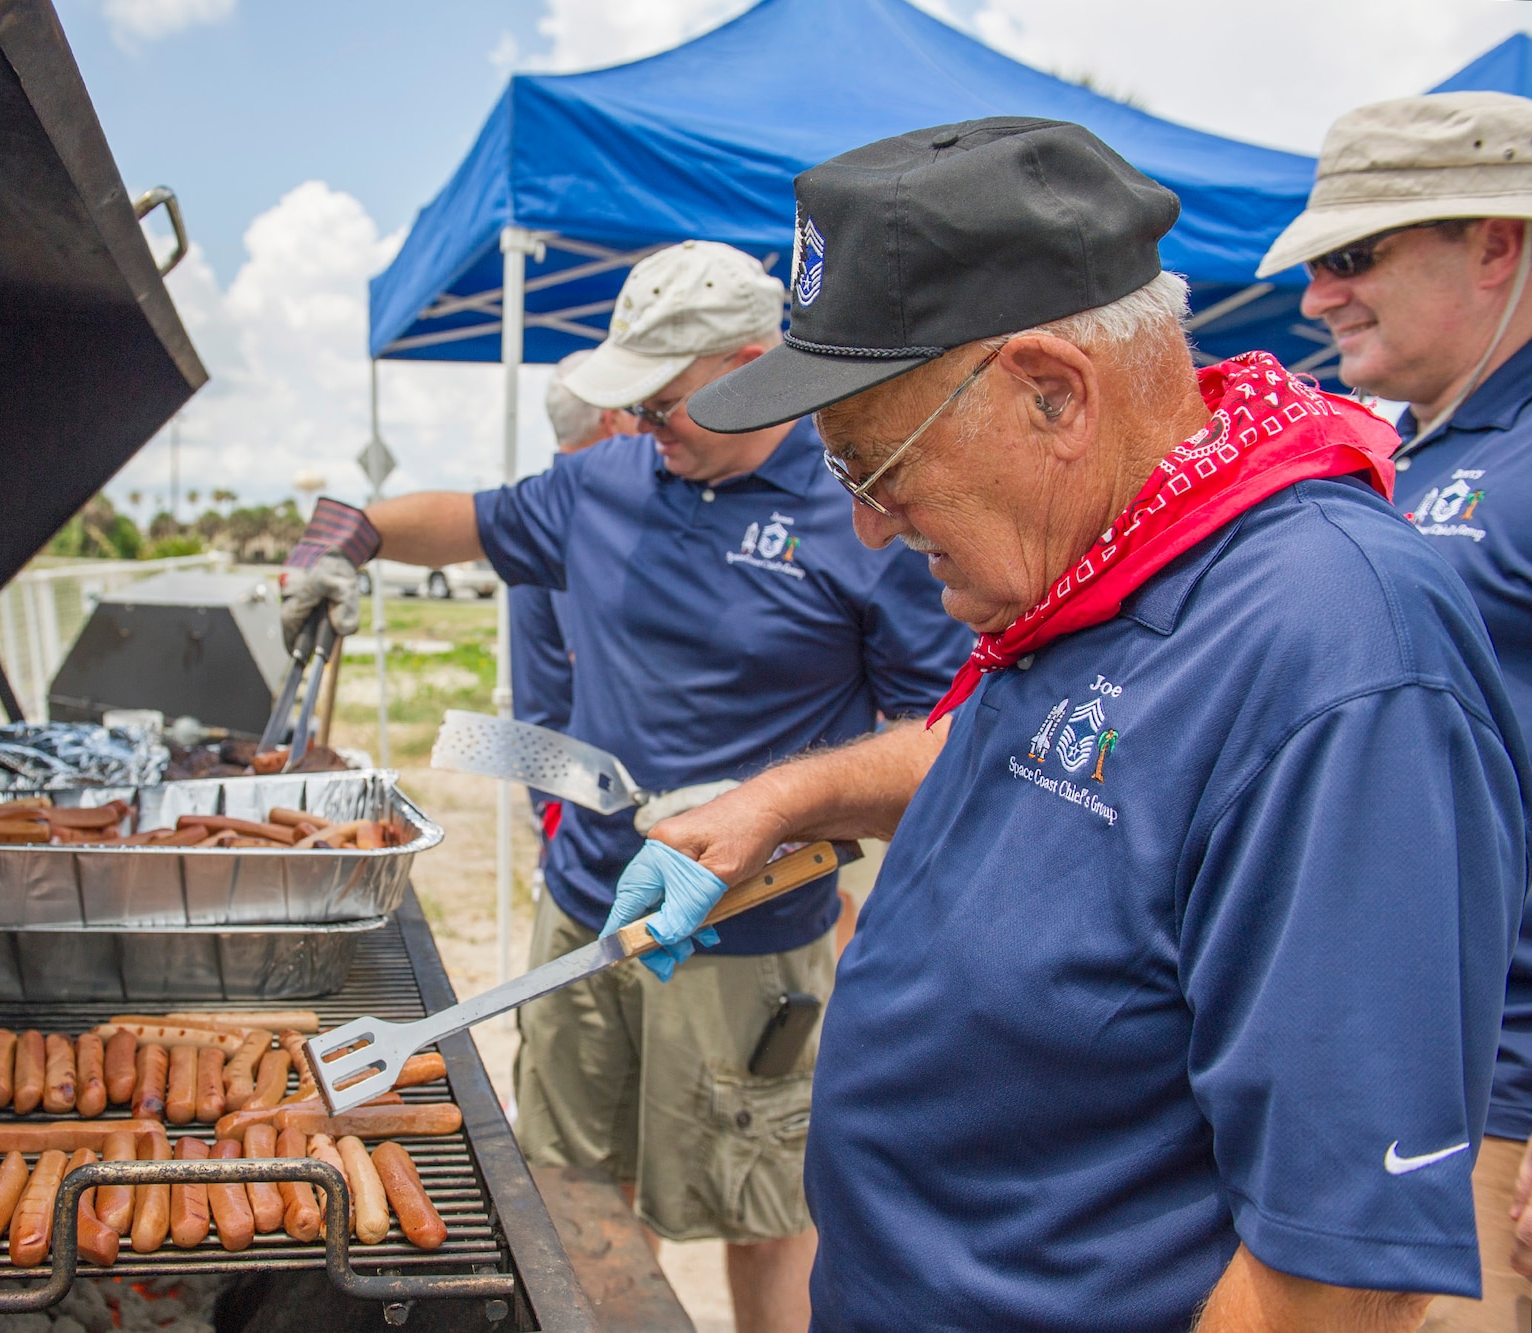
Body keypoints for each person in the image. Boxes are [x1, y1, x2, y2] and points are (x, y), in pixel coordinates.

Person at [606, 118, 1531, 1332]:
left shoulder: (1337, 651)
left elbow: (1338, 1272)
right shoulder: (1115, 544)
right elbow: (1030, 750)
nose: (871, 530)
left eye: (875, 472)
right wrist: (778, 799)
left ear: (1053, 394)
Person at [280, 240, 968, 1333]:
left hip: (738, 930)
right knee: (577, 1177)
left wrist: (770, 803)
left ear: (754, 365)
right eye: (635, 409)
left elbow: (933, 735)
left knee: (763, 1201)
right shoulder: (603, 480)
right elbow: (465, 517)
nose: (645, 428)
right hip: (583, 902)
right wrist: (353, 532)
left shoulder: (863, 514)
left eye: (664, 406)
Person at [1256, 92, 1532, 1329]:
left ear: (1494, 242)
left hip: (1495, 1105)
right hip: (1396, 1074)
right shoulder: (1426, 446)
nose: (1320, 296)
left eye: (1352, 256)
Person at [512, 353, 635, 838]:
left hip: (569, 797)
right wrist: (559, 816)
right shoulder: (592, 517)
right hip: (594, 811)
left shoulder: (539, 515)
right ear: (612, 419)